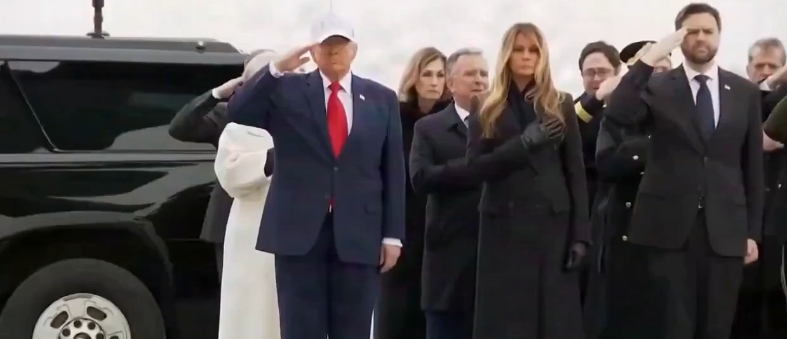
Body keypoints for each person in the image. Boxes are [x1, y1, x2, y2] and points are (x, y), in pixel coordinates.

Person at [226, 13, 405, 339]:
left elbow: (392, 169)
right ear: (314, 50)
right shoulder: (287, 90)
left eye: (340, 45)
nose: (333, 52)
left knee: (352, 329)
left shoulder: (381, 98)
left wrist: (392, 235)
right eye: (325, 45)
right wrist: (275, 69)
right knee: (300, 328)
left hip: (359, 234)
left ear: (354, 50)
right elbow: (238, 112)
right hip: (299, 233)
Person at [601, 3, 763, 338]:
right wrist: (648, 60)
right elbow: (618, 112)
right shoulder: (658, 86)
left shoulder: (743, 91)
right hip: (668, 232)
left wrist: (752, 231)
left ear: (719, 35)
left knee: (716, 327)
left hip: (725, 232)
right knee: (672, 327)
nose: (701, 38)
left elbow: (752, 166)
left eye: (708, 30)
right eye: (692, 31)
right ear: (678, 38)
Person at [466, 22, 590, 339]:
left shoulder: (560, 102)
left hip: (552, 225)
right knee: (506, 318)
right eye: (519, 50)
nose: (526, 57)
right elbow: (476, 168)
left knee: (554, 318)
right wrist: (521, 145)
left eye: (533, 50)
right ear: (506, 55)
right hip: (503, 226)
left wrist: (580, 236)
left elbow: (574, 172)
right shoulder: (485, 105)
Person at [168, 49, 276, 275]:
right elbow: (180, 127)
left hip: (278, 221)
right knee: (235, 298)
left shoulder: (293, 113)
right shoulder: (227, 114)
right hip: (231, 221)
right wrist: (216, 94)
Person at [409, 47, 488, 339]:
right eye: (470, 73)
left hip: (495, 260)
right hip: (449, 262)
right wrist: (473, 167)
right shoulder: (429, 128)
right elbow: (421, 177)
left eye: (483, 73)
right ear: (451, 84)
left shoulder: (505, 126)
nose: (479, 80)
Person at [375, 47, 450, 339]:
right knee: (395, 315)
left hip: (440, 227)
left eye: (440, 75)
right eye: (427, 74)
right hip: (401, 227)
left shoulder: (454, 122)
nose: (434, 81)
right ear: (414, 78)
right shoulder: (395, 118)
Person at [213, 123, 278, 339]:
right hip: (253, 237)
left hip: (311, 236)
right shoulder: (241, 127)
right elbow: (230, 173)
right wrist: (274, 156)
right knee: (252, 314)